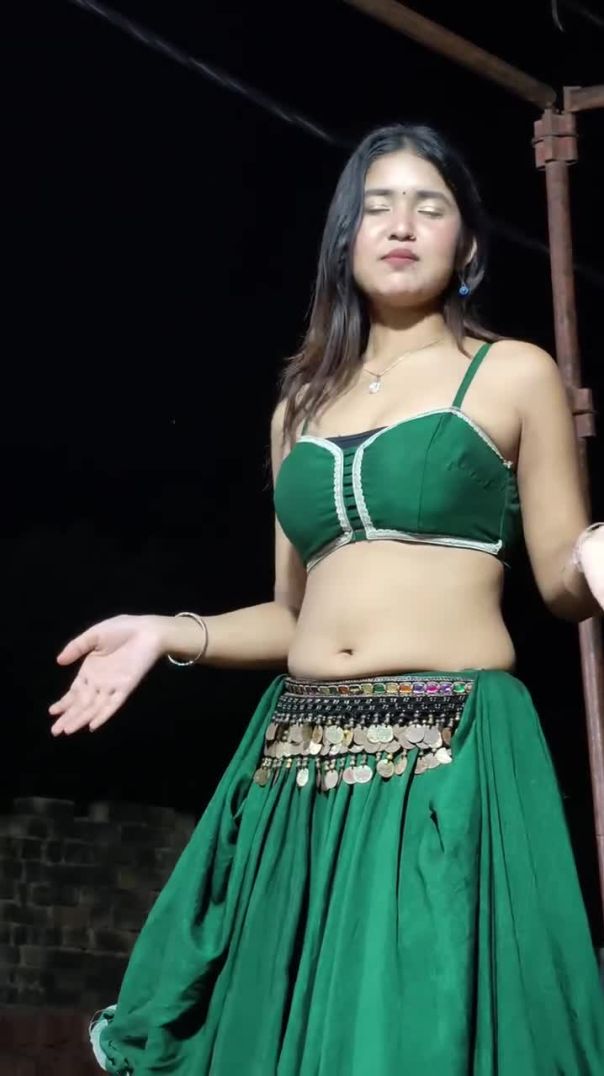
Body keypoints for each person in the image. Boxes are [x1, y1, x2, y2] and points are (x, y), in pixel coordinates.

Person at [49, 123, 604, 1075]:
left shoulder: (512, 373)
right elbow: (292, 613)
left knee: (407, 1035)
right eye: (378, 206)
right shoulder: (299, 406)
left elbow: (558, 578)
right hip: (297, 768)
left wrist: (595, 555)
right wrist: (164, 631)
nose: (402, 224)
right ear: (346, 239)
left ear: (468, 244)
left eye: (429, 206)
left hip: (446, 757)